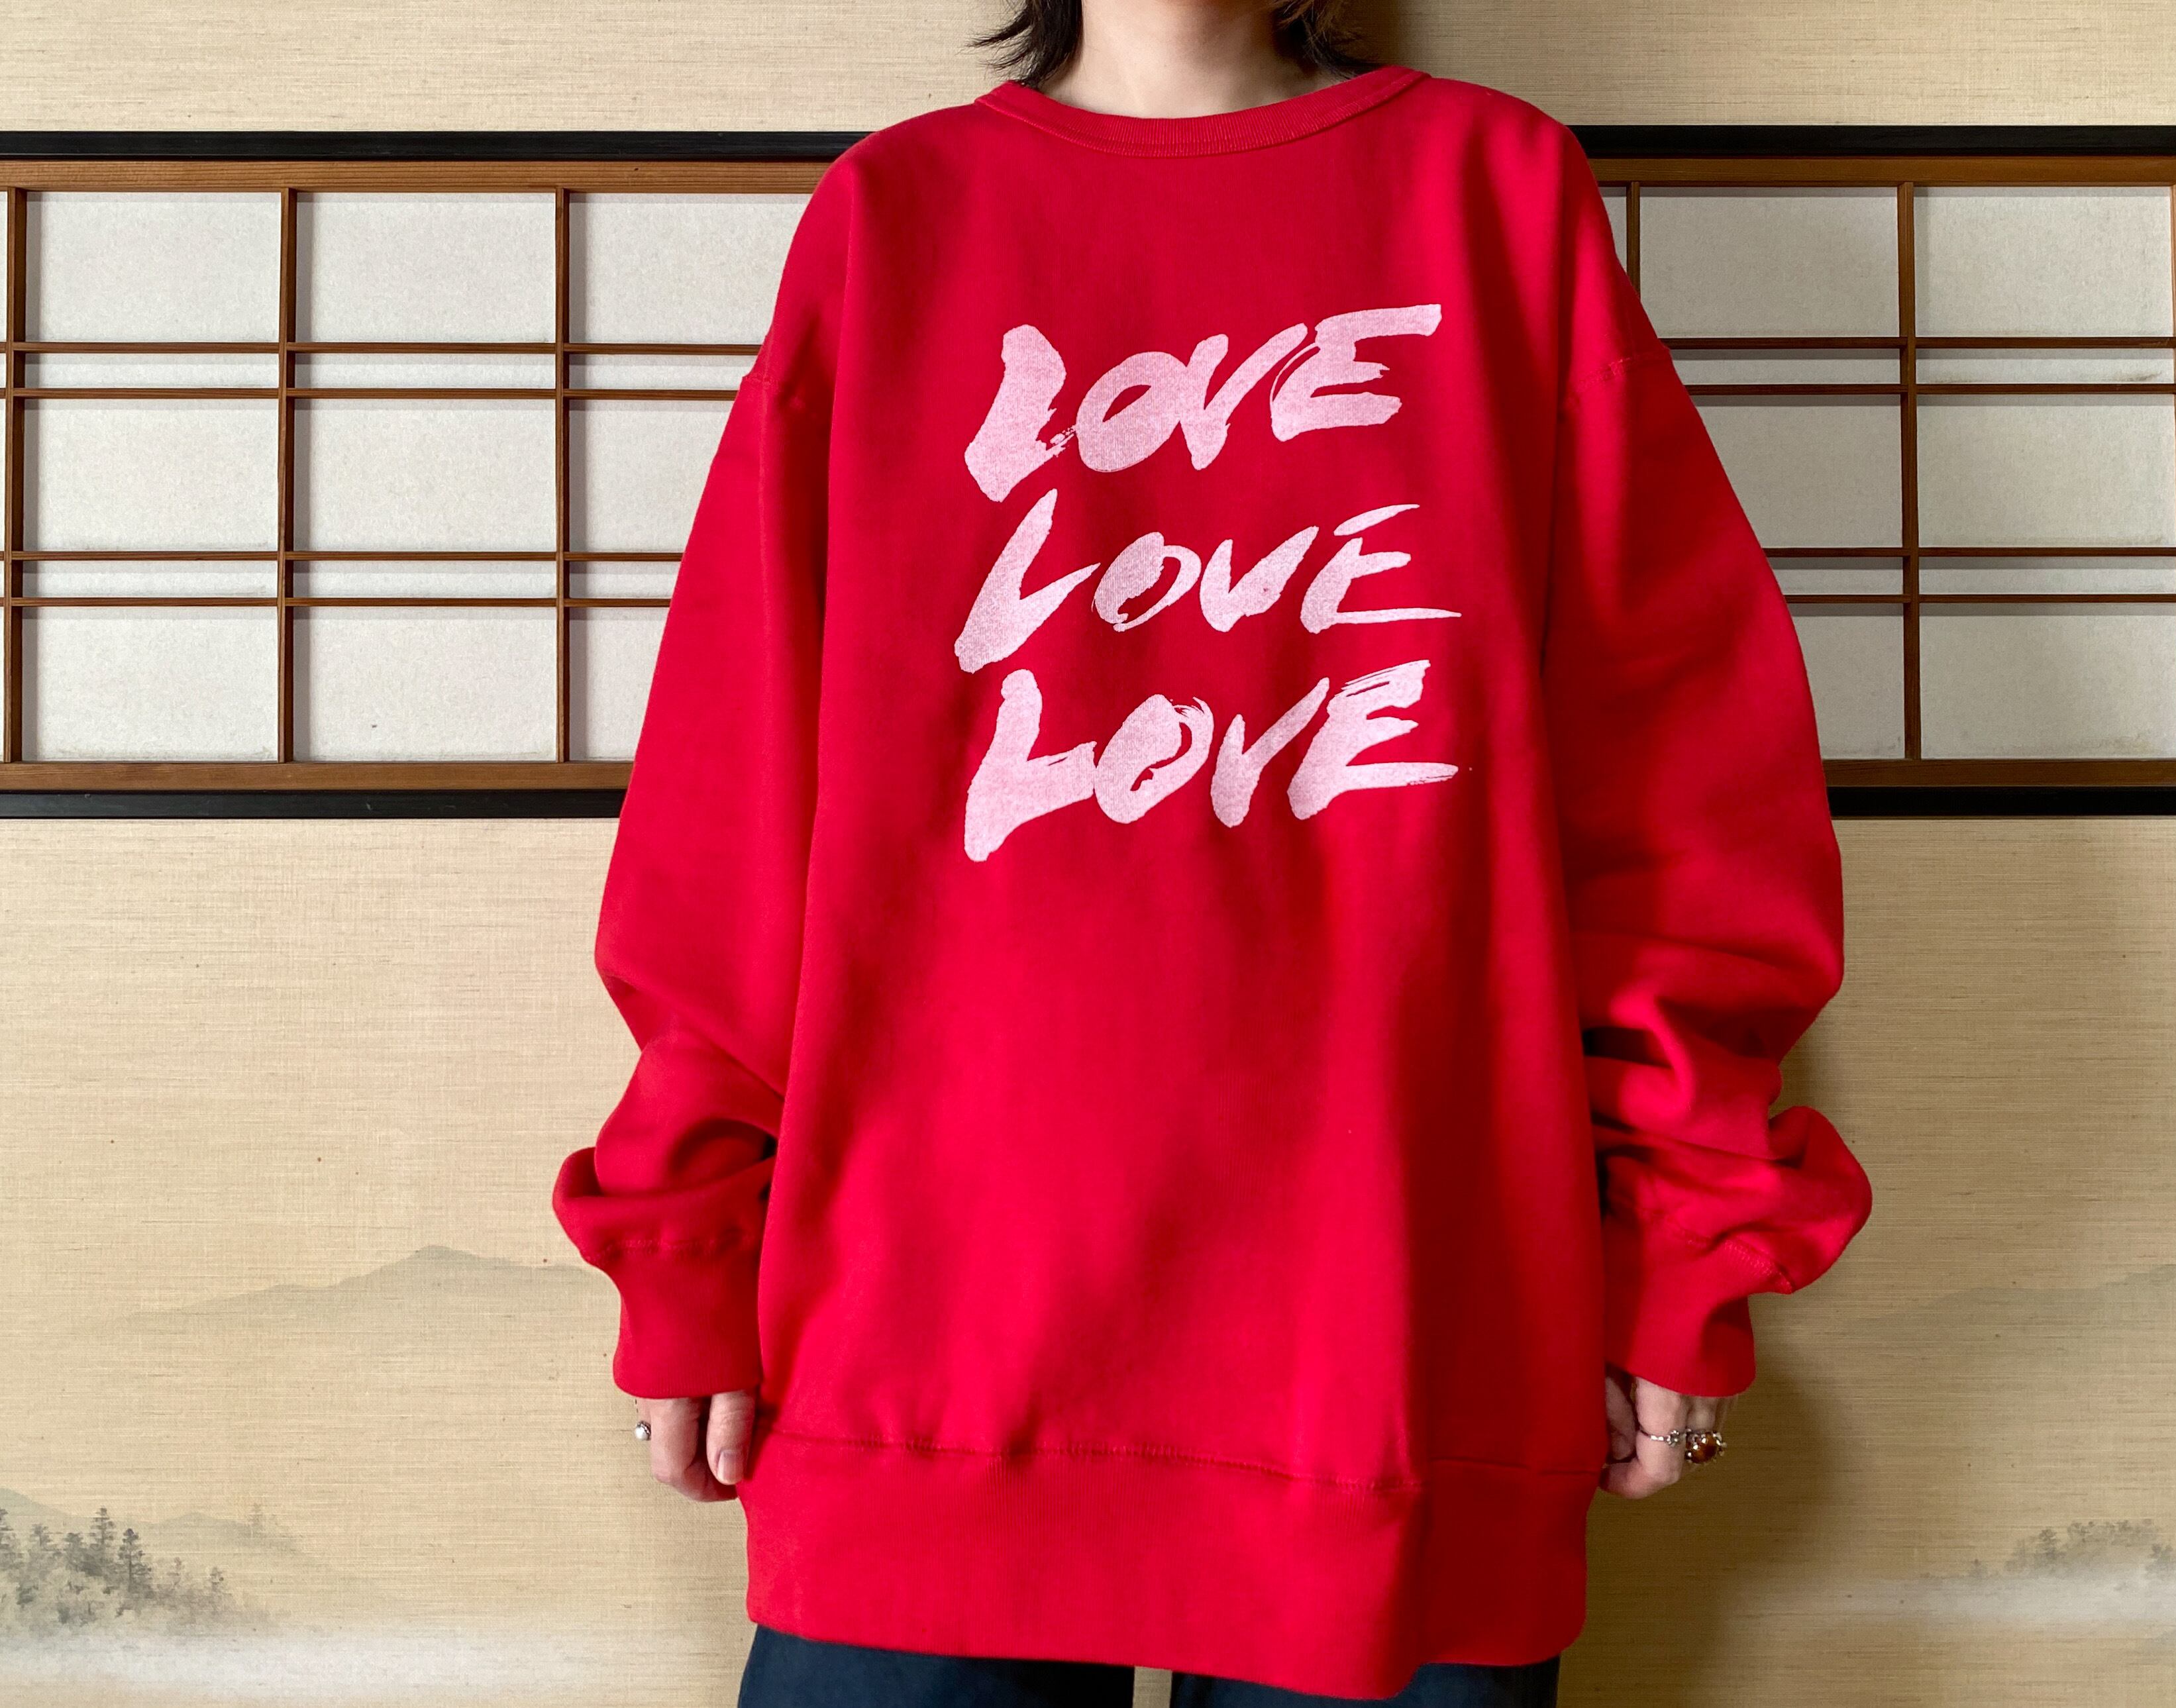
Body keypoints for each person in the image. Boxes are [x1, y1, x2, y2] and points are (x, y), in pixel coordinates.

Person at [551, 1, 1875, 1703]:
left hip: (1399, 1339)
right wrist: (687, 1240)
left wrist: (1682, 1241)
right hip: (926, 1344)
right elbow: (736, 793)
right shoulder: (898, 215)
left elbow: (1677, 780)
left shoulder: (1491, 193)